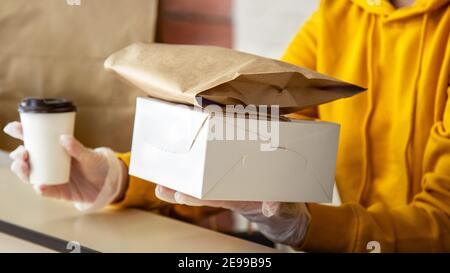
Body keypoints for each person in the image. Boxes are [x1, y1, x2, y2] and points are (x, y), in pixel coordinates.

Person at [3, 0, 449, 252]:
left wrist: (305, 227)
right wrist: (115, 178)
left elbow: (442, 224)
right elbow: (244, 142)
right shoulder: (338, 17)